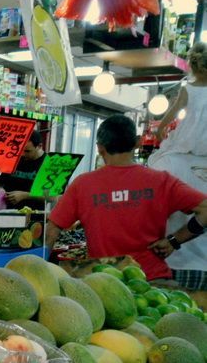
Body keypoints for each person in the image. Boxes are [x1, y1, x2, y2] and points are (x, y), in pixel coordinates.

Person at [46, 114, 207, 282]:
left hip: (103, 282)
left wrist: (39, 268)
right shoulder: (162, 181)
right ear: (137, 142)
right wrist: (174, 241)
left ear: (100, 148)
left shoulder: (82, 184)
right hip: (151, 281)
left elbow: (52, 230)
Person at [147, 42, 207, 289]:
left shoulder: (165, 166)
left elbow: (146, 216)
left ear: (191, 64)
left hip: (171, 263)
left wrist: (161, 129)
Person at [0, 130, 47, 209]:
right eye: (21, 150)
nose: (23, 154)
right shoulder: (12, 158)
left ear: (39, 146)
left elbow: (53, 197)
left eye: (27, 151)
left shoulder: (48, 164)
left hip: (34, 215)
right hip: (7, 213)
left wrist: (25, 195)